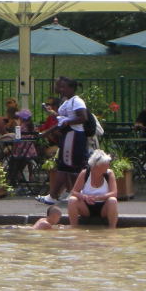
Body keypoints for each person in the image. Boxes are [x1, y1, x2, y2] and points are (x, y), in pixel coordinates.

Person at [35, 77, 88, 206]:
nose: (61, 89)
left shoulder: (77, 101)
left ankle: (56, 195)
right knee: (67, 167)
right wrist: (49, 127)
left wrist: (68, 121)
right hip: (68, 135)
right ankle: (73, 193)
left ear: (71, 88)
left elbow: (83, 117)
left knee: (66, 167)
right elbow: (62, 119)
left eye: (64, 87)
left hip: (73, 135)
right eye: (60, 87)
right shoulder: (66, 101)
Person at [67, 150, 119, 229]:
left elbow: (114, 193)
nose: (108, 166)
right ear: (98, 165)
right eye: (106, 164)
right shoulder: (85, 173)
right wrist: (85, 197)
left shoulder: (109, 173)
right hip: (86, 208)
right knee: (72, 200)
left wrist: (98, 197)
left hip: (103, 207)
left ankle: (112, 229)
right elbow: (74, 192)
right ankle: (74, 228)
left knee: (113, 200)